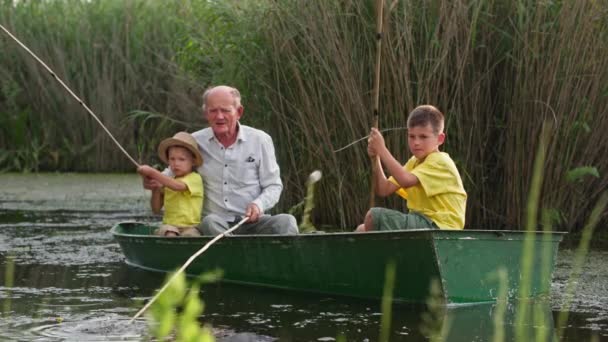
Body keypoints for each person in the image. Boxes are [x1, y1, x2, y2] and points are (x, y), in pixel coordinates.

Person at [143, 85, 298, 236]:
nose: (219, 116)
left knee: (287, 221)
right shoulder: (194, 142)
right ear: (206, 113)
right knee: (210, 222)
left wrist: (258, 205)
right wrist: (153, 181)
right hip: (215, 225)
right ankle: (233, 253)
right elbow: (169, 174)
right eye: (213, 111)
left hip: (253, 222)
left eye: (225, 110)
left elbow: (273, 186)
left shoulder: (260, 140)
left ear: (239, 112)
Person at [355, 105, 467, 232]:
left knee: (373, 217)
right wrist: (376, 158)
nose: (416, 142)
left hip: (440, 226)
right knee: (361, 229)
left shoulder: (440, 161)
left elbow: (406, 180)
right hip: (422, 221)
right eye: (411, 136)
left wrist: (382, 149)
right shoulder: (415, 162)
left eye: (423, 137)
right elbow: (383, 188)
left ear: (440, 139)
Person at [137, 131, 204, 237]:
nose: (176, 163)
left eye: (182, 159)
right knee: (170, 234)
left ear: (193, 161)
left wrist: (152, 173)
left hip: (191, 227)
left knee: (191, 236)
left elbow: (177, 186)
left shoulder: (195, 178)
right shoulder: (168, 180)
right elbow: (156, 209)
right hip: (170, 226)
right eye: (172, 159)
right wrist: (156, 189)